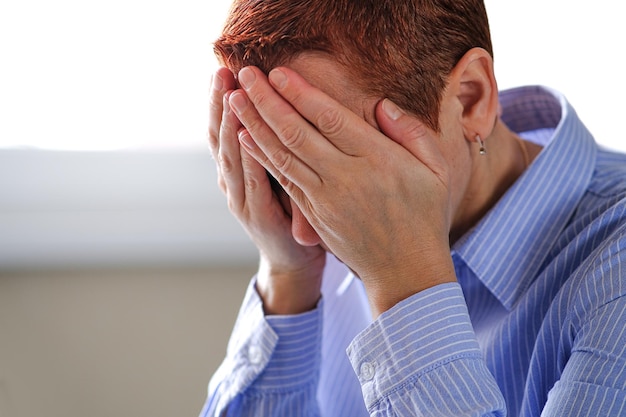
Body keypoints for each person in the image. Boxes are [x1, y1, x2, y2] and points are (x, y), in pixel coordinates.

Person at [202, 0, 626, 416]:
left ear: (470, 99)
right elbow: (297, 244)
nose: (307, 232)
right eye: (276, 166)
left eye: (334, 156)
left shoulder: (614, 278)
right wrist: (287, 276)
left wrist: (407, 284)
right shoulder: (305, 247)